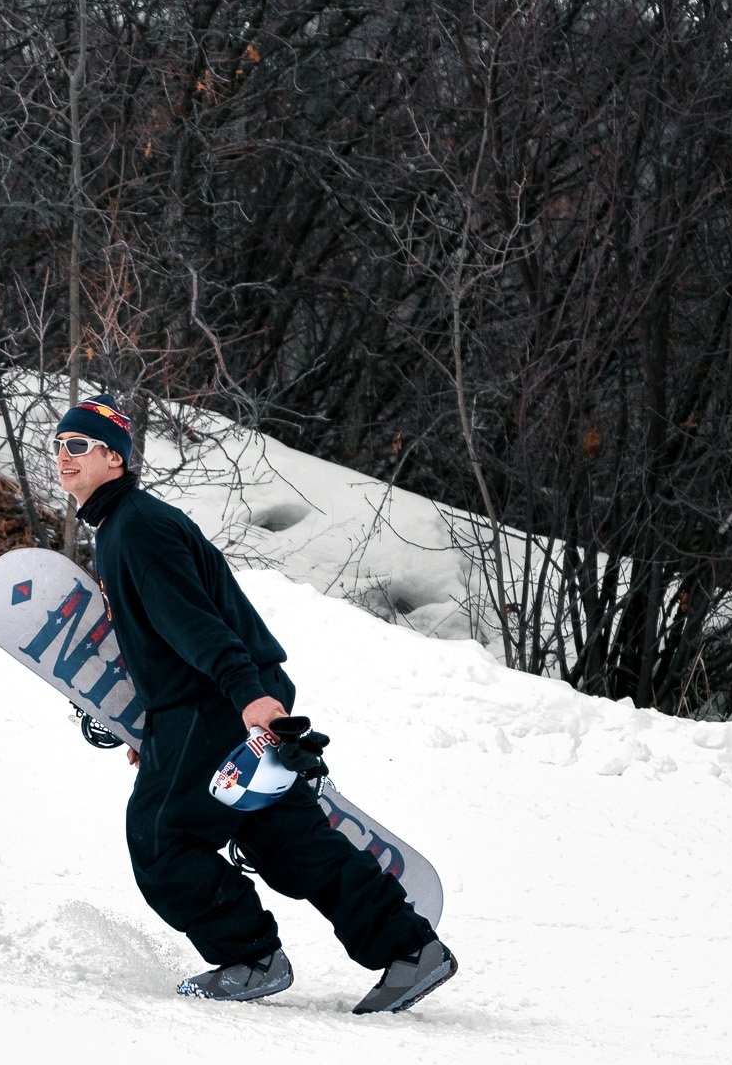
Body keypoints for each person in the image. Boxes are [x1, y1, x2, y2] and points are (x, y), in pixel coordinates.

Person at [54, 393, 457, 1014]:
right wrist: (153, 727)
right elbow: (163, 636)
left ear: (114, 457)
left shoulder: (136, 529)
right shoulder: (126, 526)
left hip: (212, 702)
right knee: (286, 841)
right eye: (58, 445)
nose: (64, 456)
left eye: (79, 445)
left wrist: (247, 698)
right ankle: (410, 949)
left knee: (162, 841)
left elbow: (197, 626)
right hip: (209, 701)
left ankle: (250, 958)